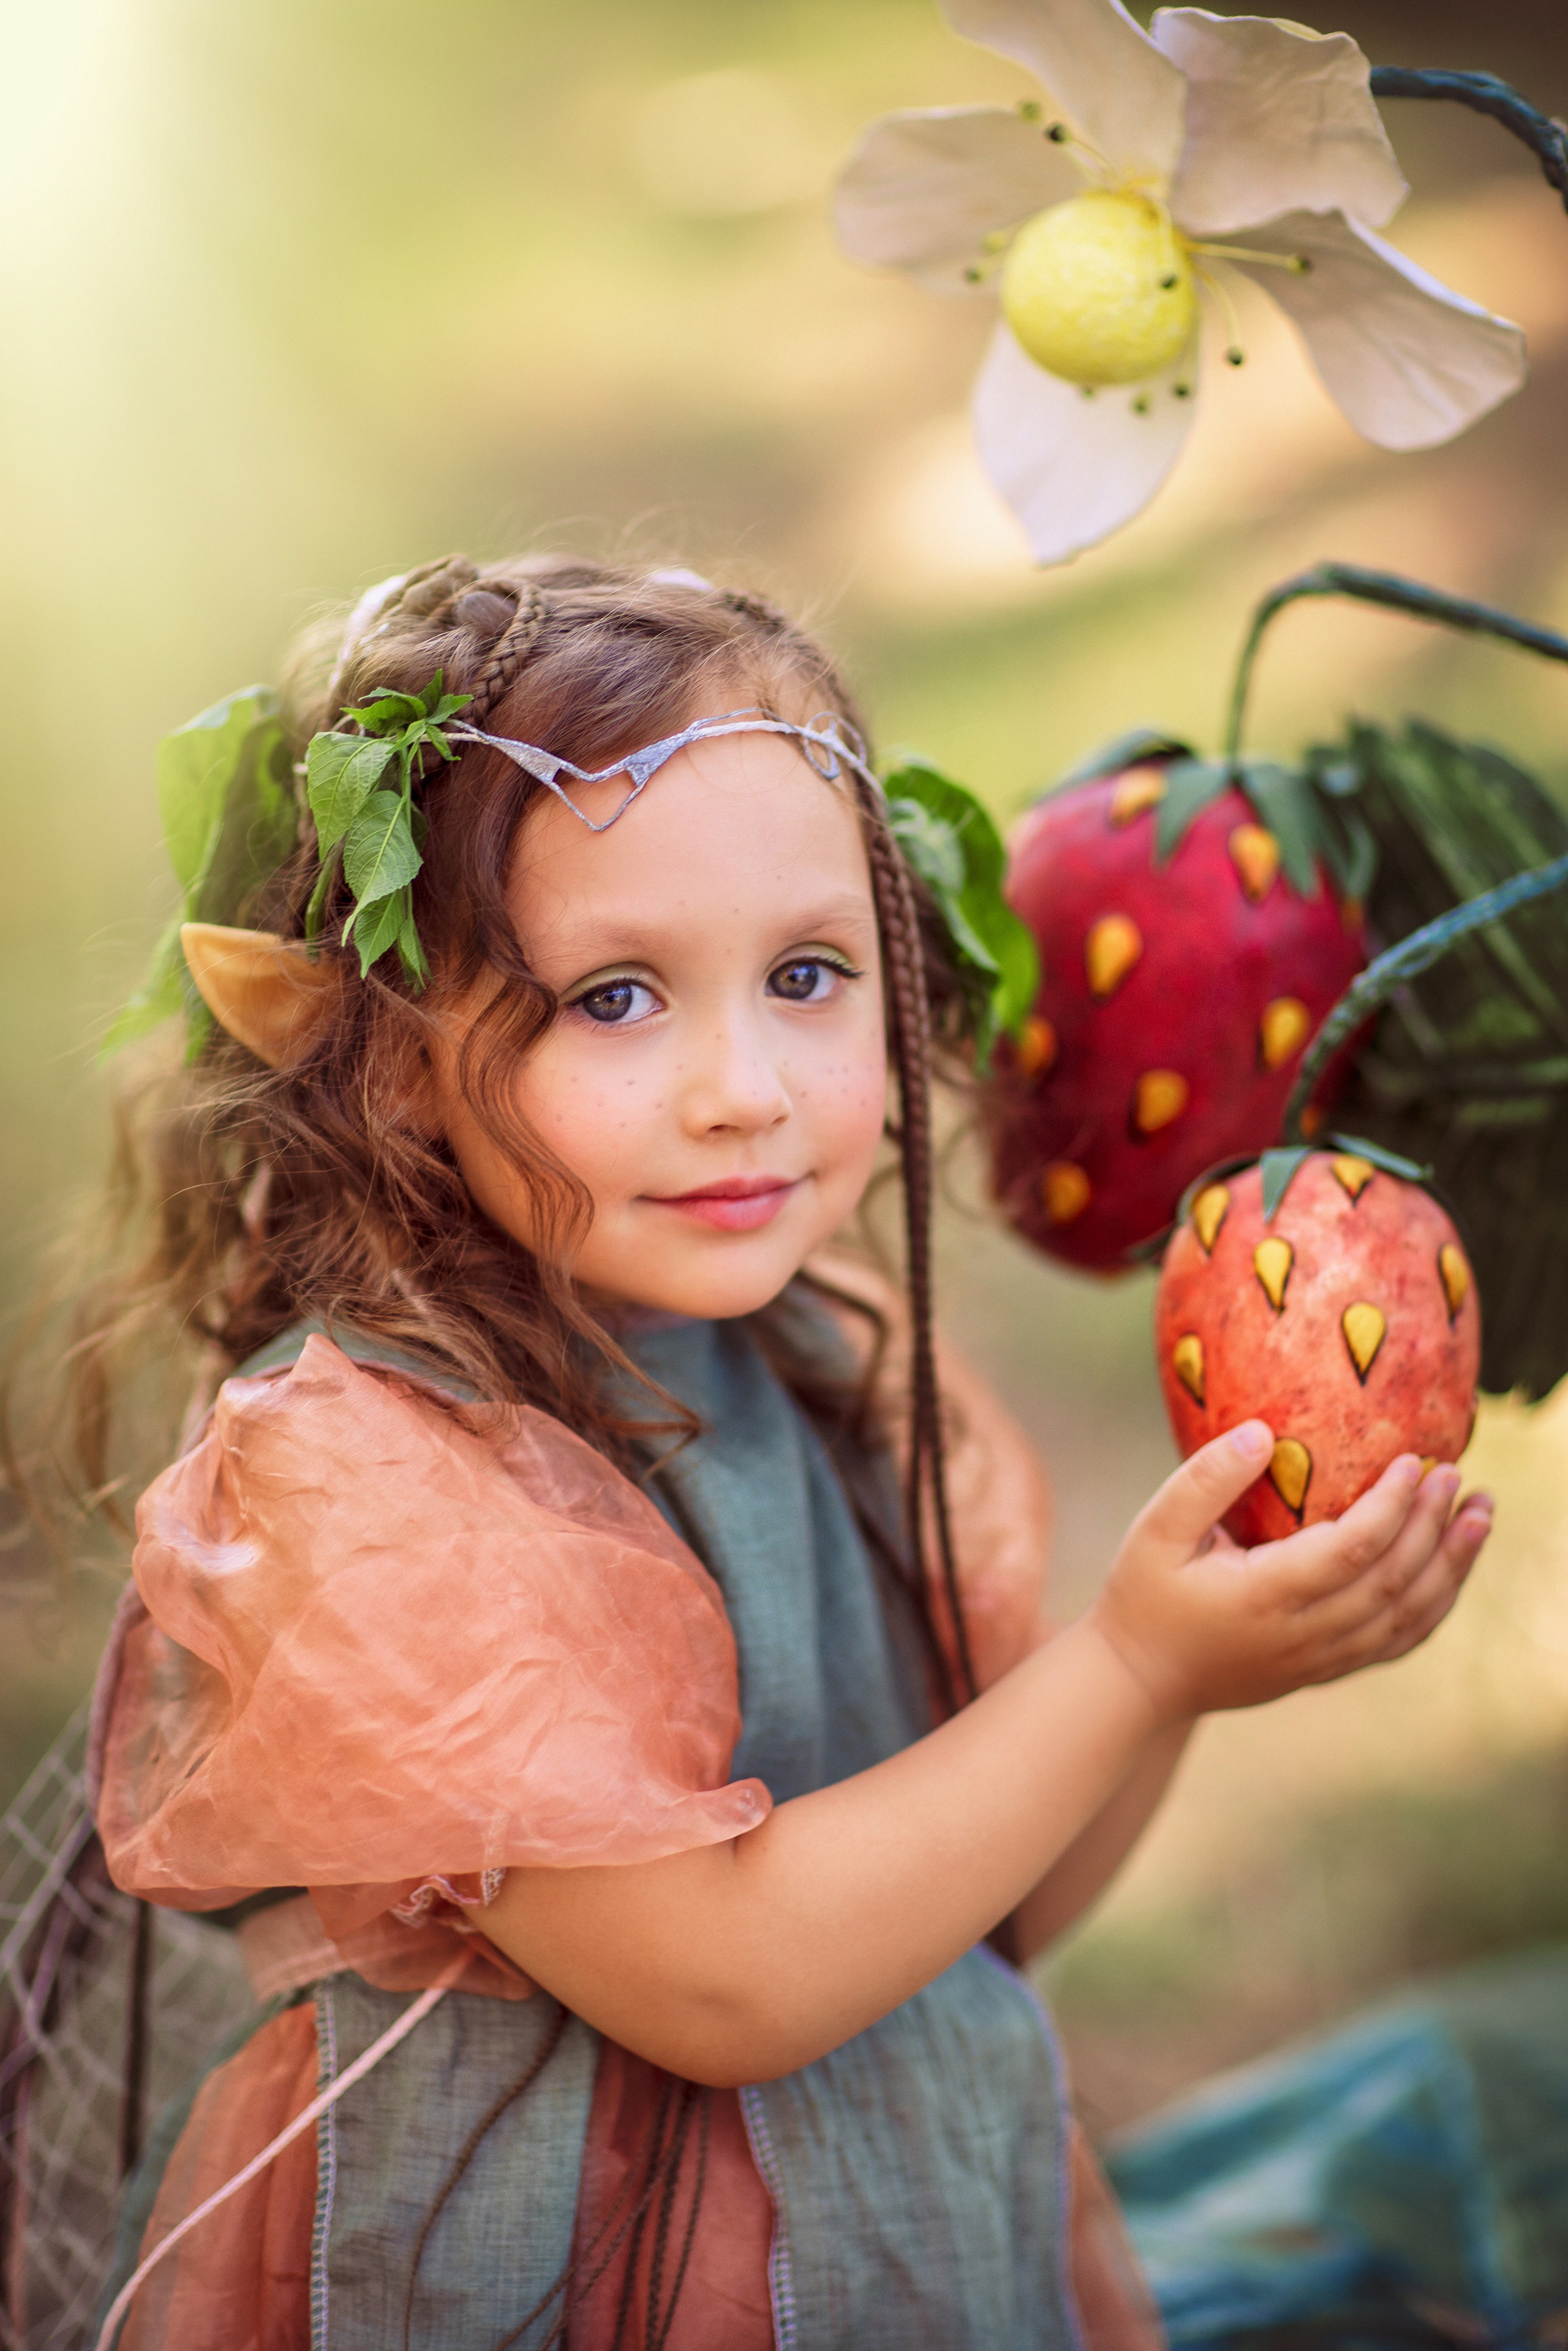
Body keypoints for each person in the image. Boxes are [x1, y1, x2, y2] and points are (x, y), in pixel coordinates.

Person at [77, 554, 1490, 2350]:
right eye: (614, 998)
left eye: (807, 973)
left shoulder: (829, 1362)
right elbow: (730, 1983)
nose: (744, 1083)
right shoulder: (371, 1483)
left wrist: (1181, 1671)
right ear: (383, 1056)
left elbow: (989, 1912)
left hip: (897, 2248)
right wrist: (1127, 1661)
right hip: (560, 2285)